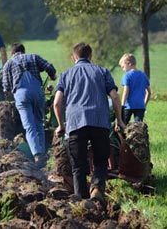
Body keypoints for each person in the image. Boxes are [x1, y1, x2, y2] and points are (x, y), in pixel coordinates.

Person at [53, 42, 125, 201]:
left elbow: (57, 103)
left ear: (74, 58)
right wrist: (119, 120)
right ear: (90, 56)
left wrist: (60, 125)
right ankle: (97, 189)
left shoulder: (65, 75)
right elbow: (114, 96)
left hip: (75, 123)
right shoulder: (102, 71)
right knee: (100, 161)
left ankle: (81, 199)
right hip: (100, 123)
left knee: (77, 166)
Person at [2, 43, 56, 167]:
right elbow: (49, 67)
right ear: (24, 51)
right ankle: (42, 152)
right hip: (37, 92)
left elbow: (6, 88)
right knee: (39, 122)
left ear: (12, 53)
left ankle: (37, 155)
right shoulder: (33, 57)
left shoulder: (8, 64)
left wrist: (11, 93)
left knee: (29, 126)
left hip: (21, 95)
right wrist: (52, 76)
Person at [119, 53, 151, 125]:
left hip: (128, 106)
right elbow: (148, 92)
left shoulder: (127, 75)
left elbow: (125, 92)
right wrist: (144, 104)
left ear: (129, 64)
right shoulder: (143, 75)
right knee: (138, 128)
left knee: (123, 125)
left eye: (123, 67)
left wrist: (122, 105)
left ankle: (124, 136)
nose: (123, 70)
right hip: (140, 106)